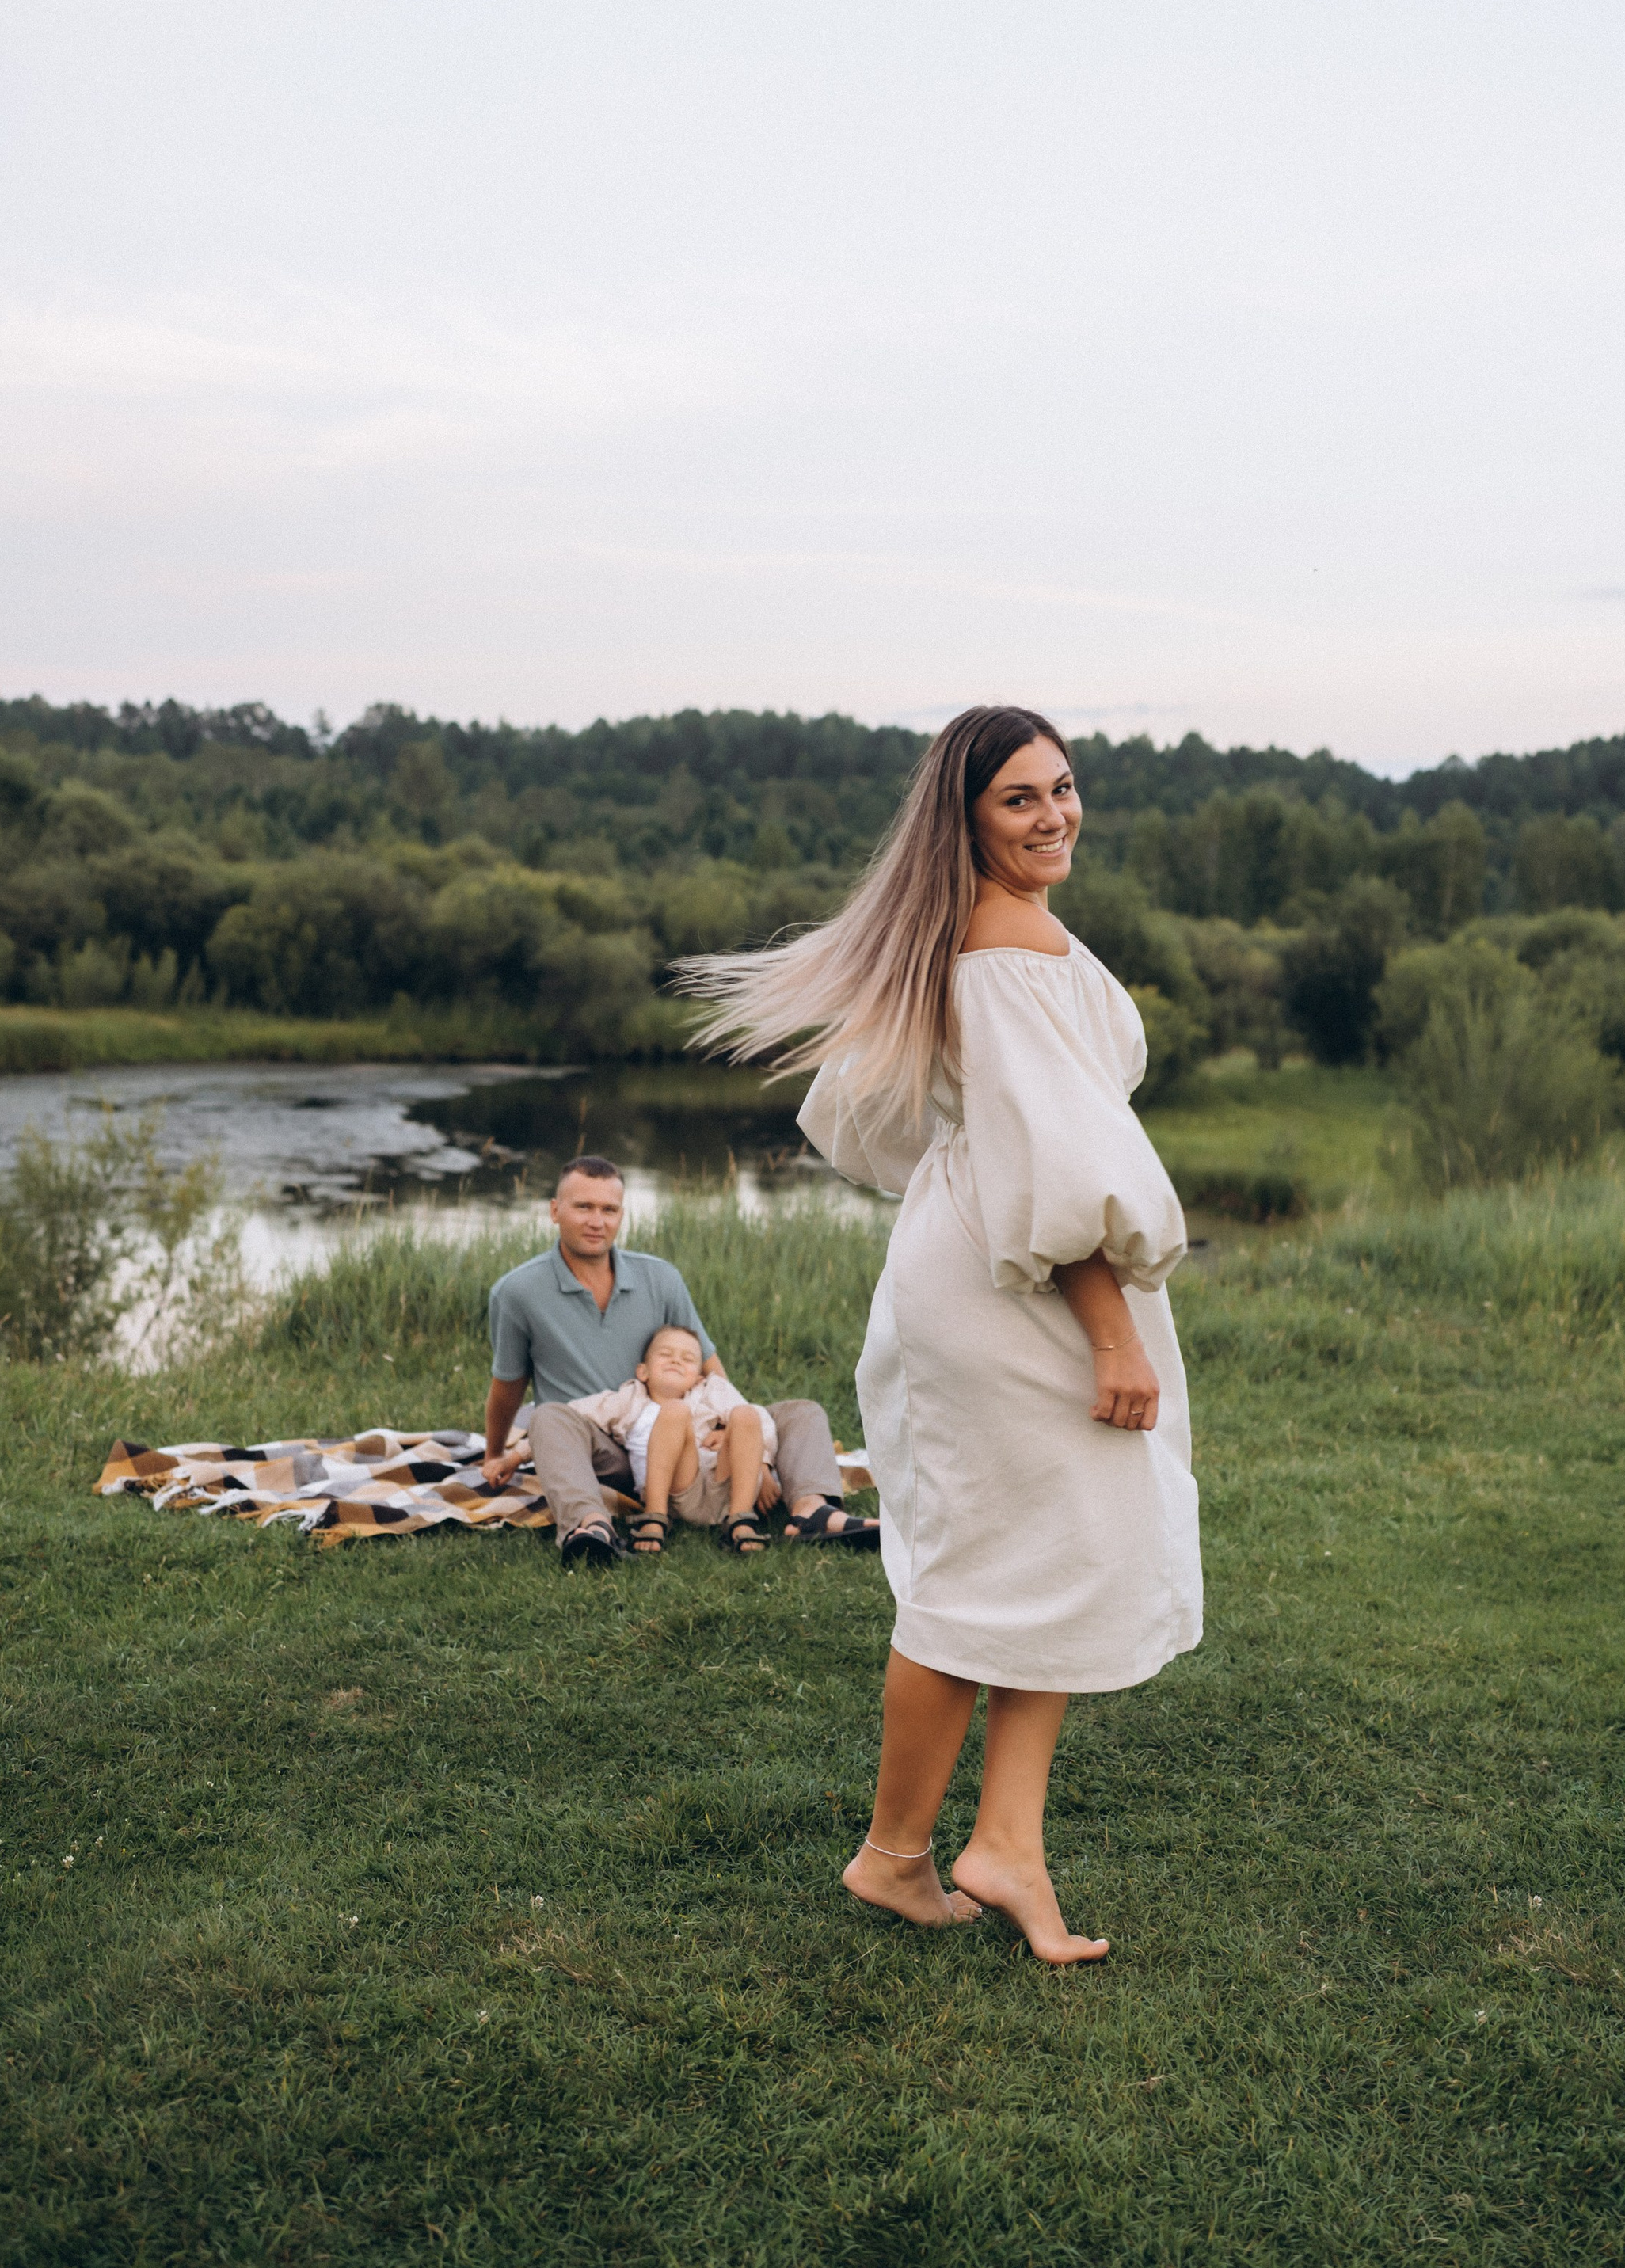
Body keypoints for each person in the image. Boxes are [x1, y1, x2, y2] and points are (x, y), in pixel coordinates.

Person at [681, 706, 1201, 1964]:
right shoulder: (1002, 947)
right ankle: (895, 1856)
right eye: (1021, 798)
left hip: (984, 1259)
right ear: (965, 819)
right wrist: (1114, 1335)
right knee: (989, 1563)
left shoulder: (965, 935)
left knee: (1061, 1544)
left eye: (1065, 788)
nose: (1055, 814)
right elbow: (1054, 1164)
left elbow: (925, 1128)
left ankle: (1004, 1849)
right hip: (1030, 1287)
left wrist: (963, 1182)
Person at [483, 1155, 878, 1566]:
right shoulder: (517, 1293)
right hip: (600, 1444)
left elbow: (709, 1367)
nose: (596, 1221)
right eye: (583, 1207)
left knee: (801, 1413)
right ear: (554, 1210)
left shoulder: (660, 1278)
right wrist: (495, 1452)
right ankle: (591, 1526)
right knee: (548, 1416)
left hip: (686, 1435)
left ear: (621, 1215)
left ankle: (812, 1511)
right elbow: (507, 1385)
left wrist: (744, 1444)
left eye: (609, 1209)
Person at [554, 1323, 782, 1558]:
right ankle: (655, 1517)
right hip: (677, 1490)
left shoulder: (709, 1392)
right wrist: (522, 1452)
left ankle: (741, 1520)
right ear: (643, 1372)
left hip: (725, 1486)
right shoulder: (629, 1400)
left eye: (688, 1359)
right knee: (676, 1411)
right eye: (665, 1355)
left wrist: (749, 1454)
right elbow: (568, 1418)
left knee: (746, 1414)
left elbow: (760, 1420)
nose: (676, 1361)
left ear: (698, 1377)